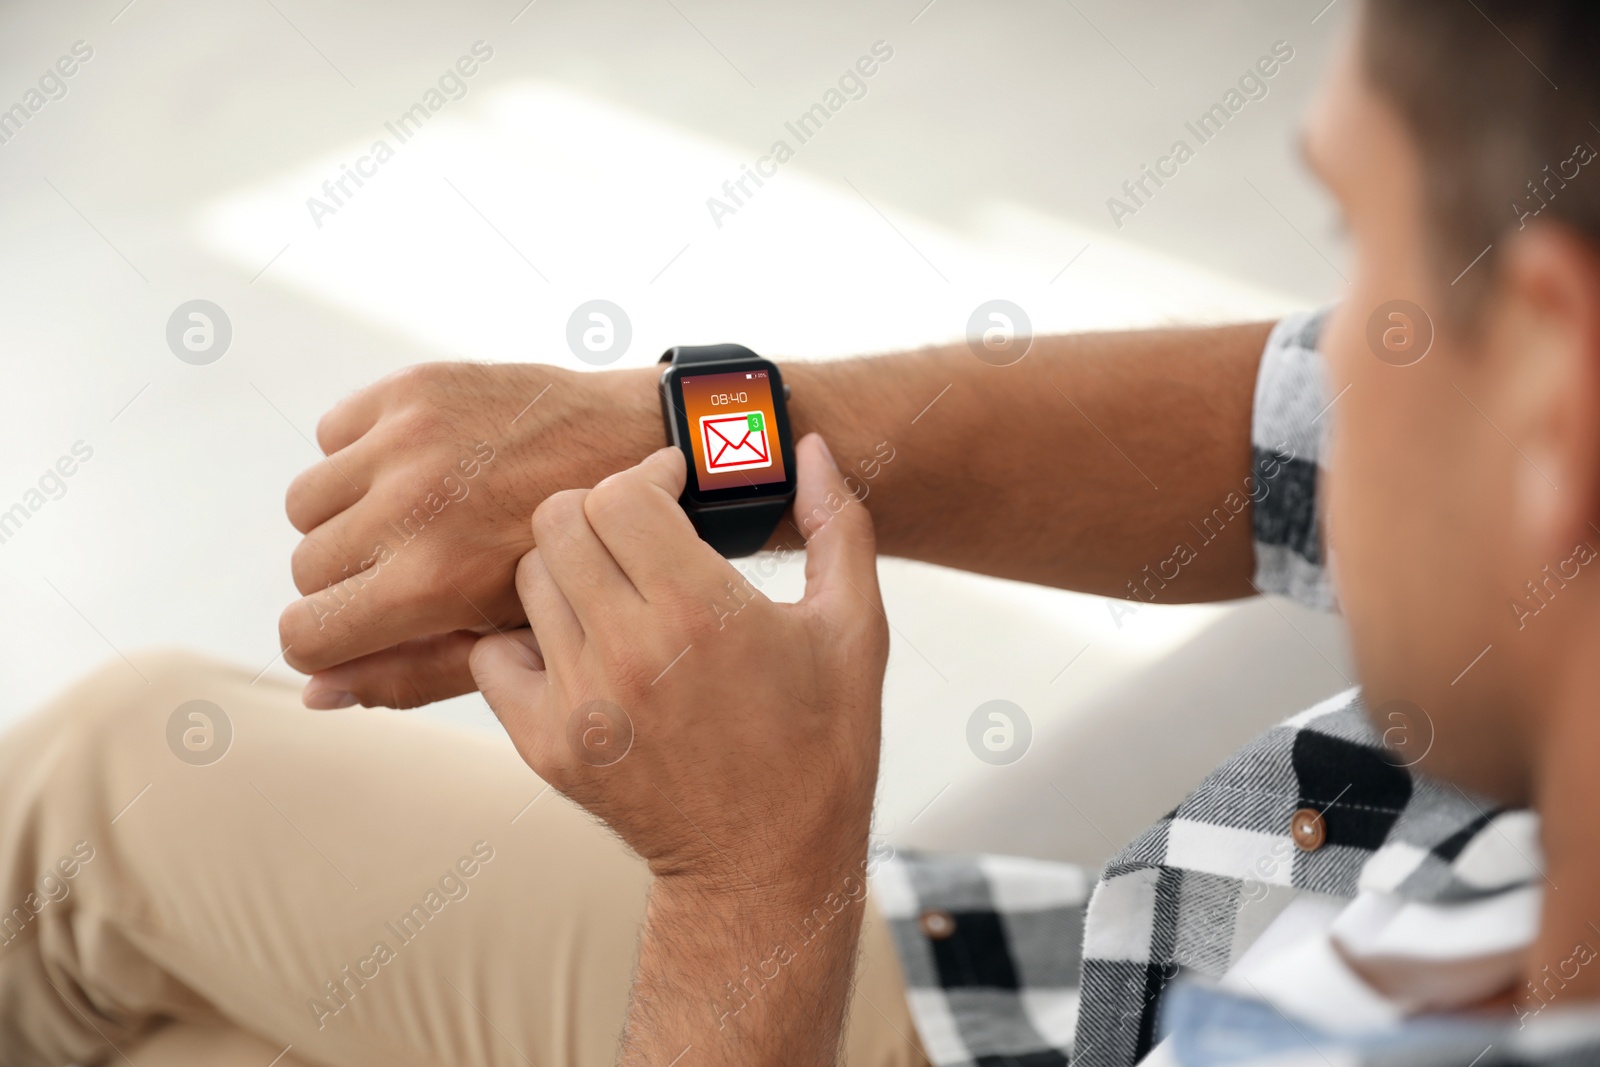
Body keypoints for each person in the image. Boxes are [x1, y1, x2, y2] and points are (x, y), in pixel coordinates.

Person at [4, 1, 1600, 1063]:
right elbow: (1284, 434)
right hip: (1059, 981)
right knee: (127, 822)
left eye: (1370, 251)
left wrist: (749, 886)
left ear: (1553, 397)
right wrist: (694, 441)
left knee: (105, 817)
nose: (1352, 347)